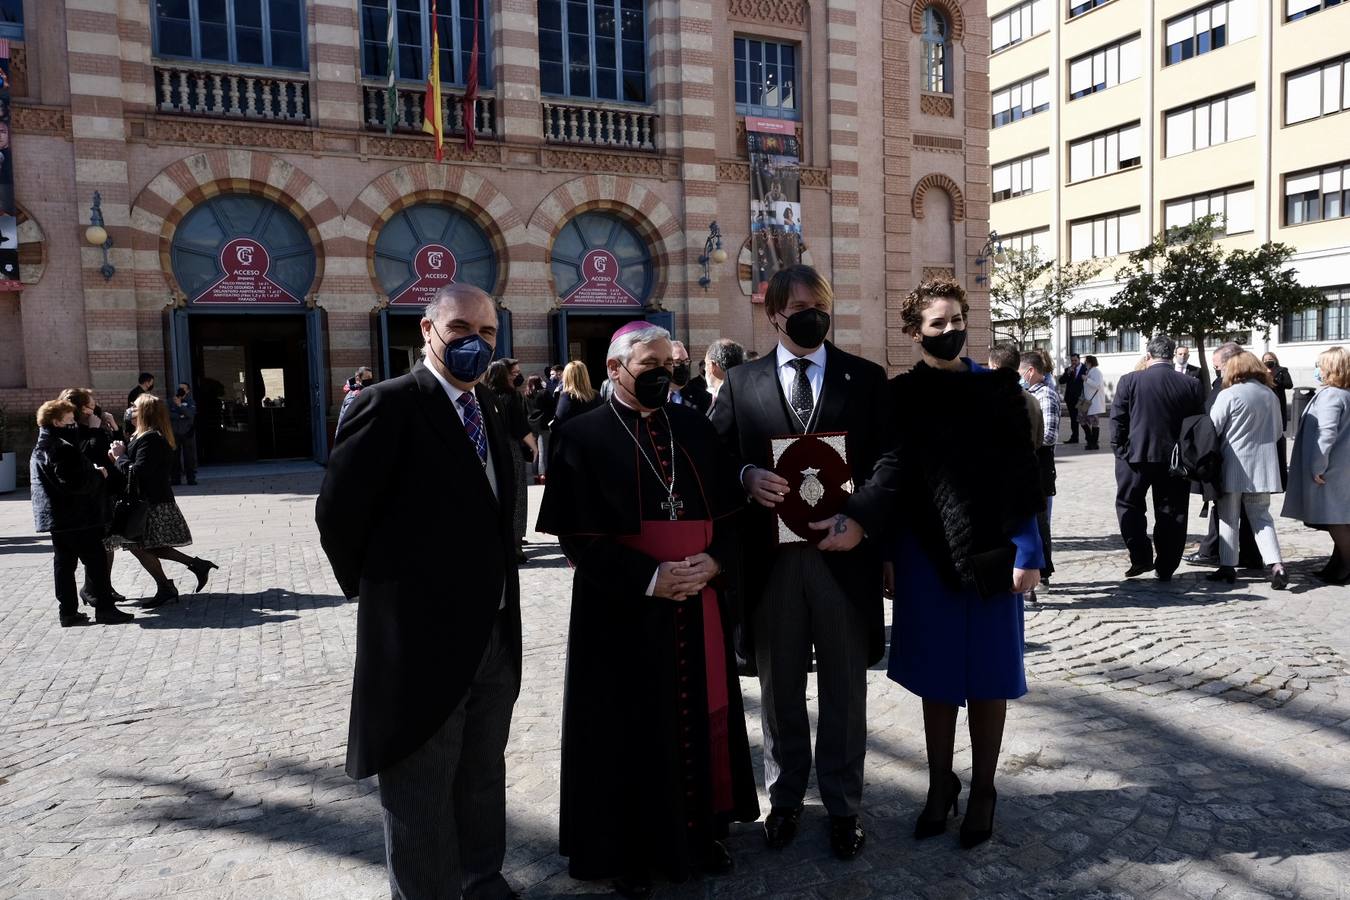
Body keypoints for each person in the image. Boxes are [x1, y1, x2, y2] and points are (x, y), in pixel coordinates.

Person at [315, 284, 523, 900]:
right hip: (419, 640)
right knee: (419, 788)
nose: (475, 343)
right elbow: (338, 516)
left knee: (483, 773)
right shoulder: (389, 404)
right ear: (428, 329)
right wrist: (388, 598)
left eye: (487, 333)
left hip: (492, 634)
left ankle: (483, 879)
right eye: (461, 328)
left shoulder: (491, 407)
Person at [537, 322, 759, 897]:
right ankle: (628, 850)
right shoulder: (580, 435)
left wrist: (715, 563)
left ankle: (705, 831)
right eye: (650, 363)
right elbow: (577, 540)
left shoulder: (693, 427)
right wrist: (650, 577)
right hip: (623, 609)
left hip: (699, 600)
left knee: (698, 715)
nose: (664, 372)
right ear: (615, 370)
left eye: (671, 363)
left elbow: (733, 515)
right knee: (627, 725)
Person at [834, 277, 1044, 851]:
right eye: (938, 323)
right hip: (923, 557)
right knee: (937, 677)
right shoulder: (899, 396)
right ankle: (938, 784)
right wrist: (887, 556)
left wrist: (1030, 553)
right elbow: (892, 483)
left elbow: (1021, 478)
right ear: (913, 332)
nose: (951, 331)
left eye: (958, 320)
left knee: (990, 676)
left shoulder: (999, 389)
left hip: (994, 553)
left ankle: (983, 791)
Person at [710, 264, 887, 861]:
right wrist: (743, 475)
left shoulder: (864, 378)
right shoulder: (741, 383)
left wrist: (860, 518)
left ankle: (843, 805)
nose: (814, 315)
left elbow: (892, 461)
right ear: (774, 315)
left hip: (843, 560)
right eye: (801, 307)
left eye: (822, 305)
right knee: (779, 687)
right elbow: (711, 458)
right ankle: (784, 799)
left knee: (845, 689)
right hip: (772, 564)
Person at [1108, 334, 1206, 581]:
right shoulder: (1190, 384)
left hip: (1135, 457)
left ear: (1148, 355)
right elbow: (1197, 424)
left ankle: (1140, 556)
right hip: (1175, 460)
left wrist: (1120, 450)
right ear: (1172, 355)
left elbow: (1118, 418)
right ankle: (1166, 565)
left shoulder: (1130, 380)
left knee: (1129, 506)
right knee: (1172, 512)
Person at [107, 394, 219, 609]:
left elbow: (138, 472)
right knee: (147, 546)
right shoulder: (144, 435)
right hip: (150, 501)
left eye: (135, 407)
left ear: (145, 412)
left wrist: (119, 457)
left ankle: (172, 582)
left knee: (140, 546)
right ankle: (192, 568)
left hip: (152, 503)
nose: (131, 409)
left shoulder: (151, 438)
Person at [29, 399, 133, 627]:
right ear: (56, 421)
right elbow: (74, 483)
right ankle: (105, 609)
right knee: (95, 562)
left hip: (59, 519)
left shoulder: (42, 446)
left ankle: (68, 612)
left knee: (64, 565)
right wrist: (99, 475)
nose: (74, 423)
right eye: (69, 420)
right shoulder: (61, 448)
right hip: (78, 517)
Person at [1206, 351, 1289, 589]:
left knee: (1228, 517)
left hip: (1233, 464)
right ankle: (1276, 564)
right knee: (1262, 517)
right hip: (1263, 466)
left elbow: (1214, 428)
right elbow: (1277, 432)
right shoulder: (1270, 395)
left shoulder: (1229, 394)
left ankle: (1227, 566)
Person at [1187, 342, 1262, 567]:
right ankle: (1250, 555)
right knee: (1253, 513)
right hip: (1256, 461)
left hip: (1229, 458)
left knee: (1227, 511)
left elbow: (1212, 424)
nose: (1217, 370)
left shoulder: (1227, 390)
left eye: (1218, 366)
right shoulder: (1262, 388)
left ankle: (1219, 555)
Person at [1282, 346, 1350, 585]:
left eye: (1320, 365)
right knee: (1340, 517)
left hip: (1330, 468)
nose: (1317, 370)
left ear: (1332, 368)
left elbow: (1326, 433)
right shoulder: (1344, 394)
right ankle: (1337, 564)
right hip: (1342, 466)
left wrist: (1317, 466)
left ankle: (1346, 565)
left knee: (1335, 519)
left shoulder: (1332, 395)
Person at [59, 388, 129, 606]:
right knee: (99, 548)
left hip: (108, 489)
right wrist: (95, 431)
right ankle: (96, 589)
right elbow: (89, 455)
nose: (95, 407)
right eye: (90, 405)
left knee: (107, 546)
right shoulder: (76, 430)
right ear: (80, 409)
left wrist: (115, 429)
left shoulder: (94, 424)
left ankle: (101, 587)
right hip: (93, 495)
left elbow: (114, 451)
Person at [487, 358, 537, 564]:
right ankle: (515, 546)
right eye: (513, 373)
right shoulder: (511, 396)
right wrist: (533, 447)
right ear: (503, 375)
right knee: (517, 494)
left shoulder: (485, 395)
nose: (517, 376)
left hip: (493, 448)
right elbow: (520, 427)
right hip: (511, 448)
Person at [1023, 351, 1061, 588]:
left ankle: (1043, 572)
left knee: (1040, 522)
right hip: (1031, 464)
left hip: (1040, 466)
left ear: (1030, 371)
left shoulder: (1045, 394)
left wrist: (1022, 441)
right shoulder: (1030, 393)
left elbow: (1049, 435)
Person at [988, 343, 1043, 450]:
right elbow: (1038, 441)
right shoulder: (1033, 401)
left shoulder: (986, 398)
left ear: (995, 368)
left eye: (989, 367)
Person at [524, 374, 555, 479]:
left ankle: (535, 474)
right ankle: (543, 474)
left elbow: (525, 410)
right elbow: (553, 406)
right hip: (543, 424)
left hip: (531, 425)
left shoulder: (526, 395)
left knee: (534, 451)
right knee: (543, 451)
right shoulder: (544, 393)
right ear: (538, 382)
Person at [703, 339, 745, 416]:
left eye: (706, 363)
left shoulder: (728, 400)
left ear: (712, 366)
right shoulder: (746, 394)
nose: (704, 369)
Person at [554, 360, 603, 426]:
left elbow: (558, 423)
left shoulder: (567, 396)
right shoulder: (596, 394)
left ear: (567, 377)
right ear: (585, 375)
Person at [668, 340, 710, 415]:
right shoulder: (653, 395)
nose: (684, 366)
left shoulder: (701, 397)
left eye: (686, 361)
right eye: (677, 362)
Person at [169, 382, 198, 486]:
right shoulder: (171, 401)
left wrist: (180, 405)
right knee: (174, 457)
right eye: (179, 388)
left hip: (187, 432)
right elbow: (168, 414)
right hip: (175, 433)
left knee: (189, 457)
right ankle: (175, 479)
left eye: (183, 388)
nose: (181, 390)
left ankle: (191, 478)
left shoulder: (190, 401)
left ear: (188, 390)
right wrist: (181, 416)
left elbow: (190, 414)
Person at [336, 366, 375, 434]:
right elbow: (350, 418)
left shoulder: (365, 392)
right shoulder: (353, 396)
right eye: (367, 378)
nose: (369, 381)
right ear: (358, 379)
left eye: (370, 378)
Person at [1057, 354, 1086, 444]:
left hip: (1081, 398)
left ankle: (1090, 436)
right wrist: (1068, 373)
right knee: (1073, 418)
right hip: (1070, 398)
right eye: (1072, 360)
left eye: (1075, 360)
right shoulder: (1068, 369)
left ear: (1079, 360)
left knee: (1083, 418)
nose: (1073, 362)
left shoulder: (1085, 369)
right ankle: (1074, 437)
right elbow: (1061, 381)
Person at [1080, 356, 1106, 450]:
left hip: (1093, 401)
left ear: (1090, 362)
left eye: (1086, 362)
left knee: (1094, 422)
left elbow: (1097, 385)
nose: (1085, 364)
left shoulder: (1096, 372)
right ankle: (1090, 439)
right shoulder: (1090, 371)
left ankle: (1093, 443)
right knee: (1081, 419)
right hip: (1087, 401)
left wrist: (1087, 379)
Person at [1263, 352, 1295, 429]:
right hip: (1265, 401)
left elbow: (1289, 385)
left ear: (1275, 360)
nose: (1268, 361)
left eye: (1270, 359)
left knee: (1278, 424)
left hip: (1278, 399)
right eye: (1265, 360)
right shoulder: (1261, 372)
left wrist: (1275, 380)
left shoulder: (1282, 371)